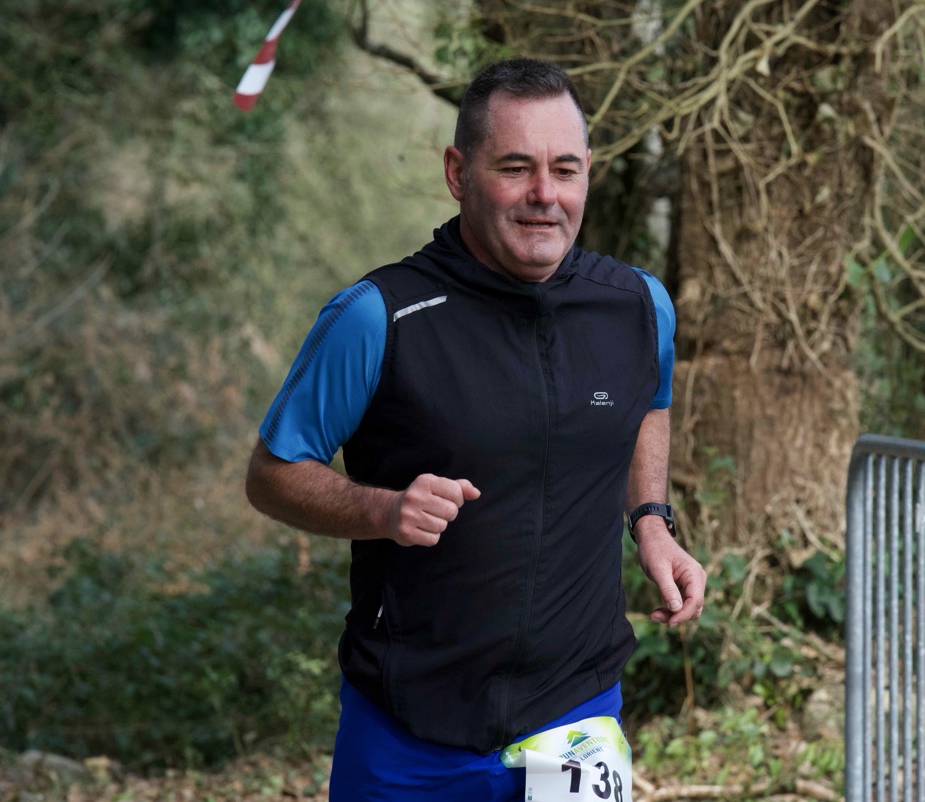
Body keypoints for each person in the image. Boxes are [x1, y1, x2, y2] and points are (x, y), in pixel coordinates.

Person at [243, 56, 706, 800]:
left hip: (575, 717)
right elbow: (271, 474)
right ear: (459, 173)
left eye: (564, 169)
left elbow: (649, 398)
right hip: (409, 732)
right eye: (515, 168)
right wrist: (383, 510)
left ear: (588, 172)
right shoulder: (378, 316)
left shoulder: (637, 307)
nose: (545, 194)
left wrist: (650, 520)